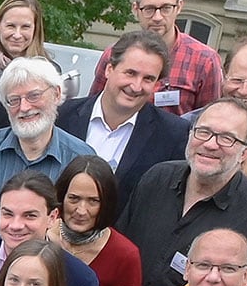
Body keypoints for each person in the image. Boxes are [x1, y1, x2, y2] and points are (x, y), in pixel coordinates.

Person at [116, 98, 247, 286]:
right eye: (203, 132)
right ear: (190, 134)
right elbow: (119, 251)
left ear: (245, 153)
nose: (210, 144)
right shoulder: (156, 178)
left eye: (227, 138)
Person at [0, 57, 94, 260]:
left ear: (57, 94)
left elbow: (85, 235)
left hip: (50, 279)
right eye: (13, 100)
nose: (24, 107)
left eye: (34, 96)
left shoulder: (81, 159)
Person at [53, 30, 189, 195]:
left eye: (148, 79)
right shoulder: (61, 116)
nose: (136, 86)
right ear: (109, 69)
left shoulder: (173, 135)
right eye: (130, 73)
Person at [86, 0, 221, 115]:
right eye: (149, 9)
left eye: (165, 8)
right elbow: (92, 107)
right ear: (136, 9)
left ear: (179, 7)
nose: (157, 17)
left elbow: (211, 119)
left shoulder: (205, 61)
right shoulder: (114, 54)